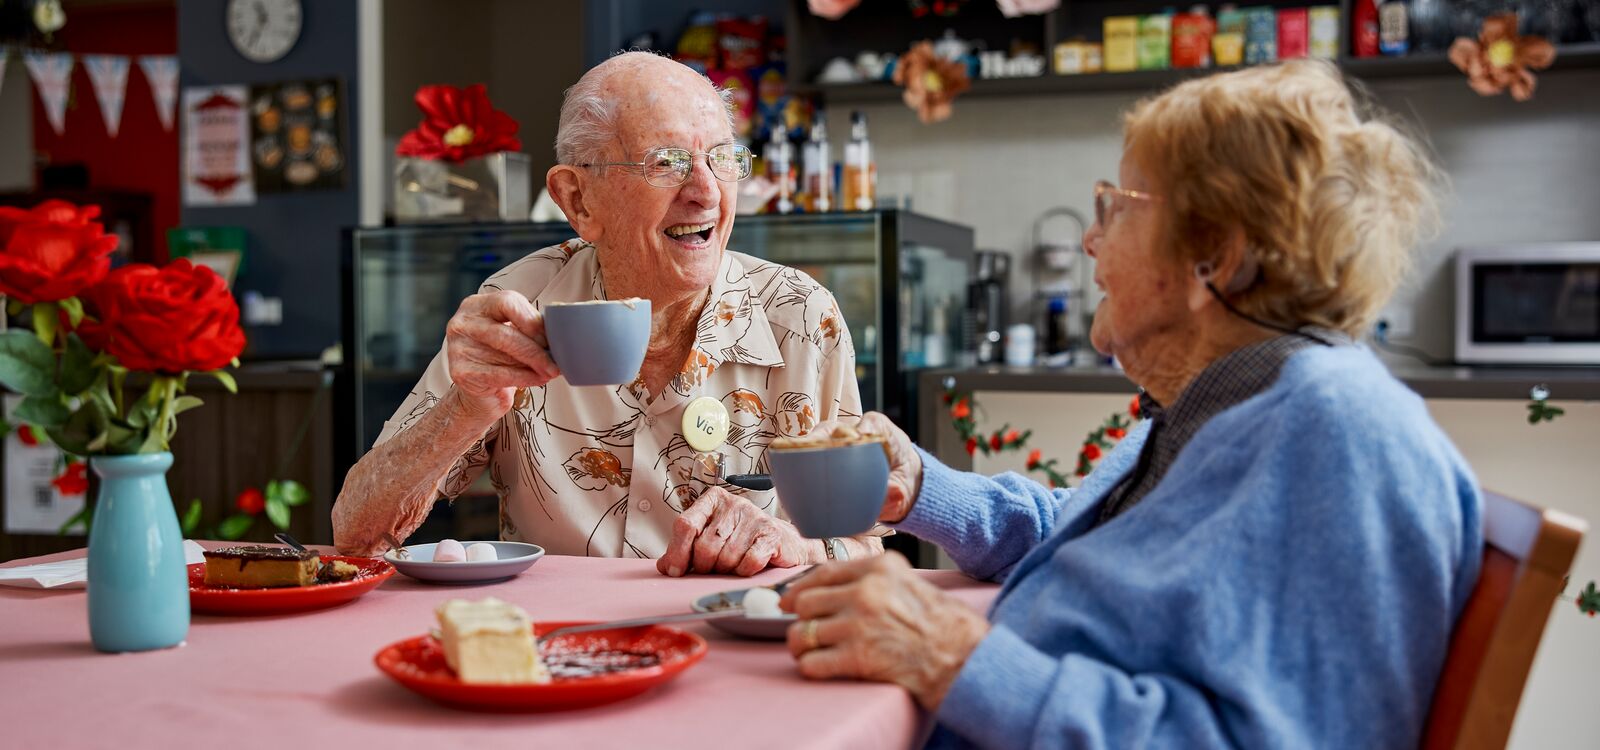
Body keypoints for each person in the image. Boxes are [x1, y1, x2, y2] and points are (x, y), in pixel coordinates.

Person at [777, 60, 1482, 748]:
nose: (1090, 239)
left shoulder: (1340, 434)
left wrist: (952, 657)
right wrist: (924, 486)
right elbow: (1085, 539)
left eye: (1116, 208)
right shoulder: (1226, 401)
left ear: (1216, 258)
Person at [333, 52, 884, 573]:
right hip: (562, 651)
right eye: (667, 162)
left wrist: (796, 544)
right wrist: (466, 407)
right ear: (578, 200)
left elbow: (865, 543)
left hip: (734, 641)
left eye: (721, 159)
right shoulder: (522, 304)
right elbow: (355, 535)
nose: (706, 191)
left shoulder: (802, 316)